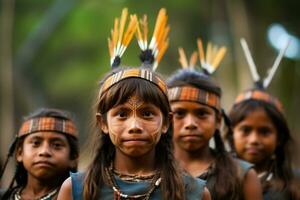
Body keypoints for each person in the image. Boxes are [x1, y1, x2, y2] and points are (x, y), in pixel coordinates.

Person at [58, 8, 211, 200]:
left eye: (147, 114)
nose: (135, 126)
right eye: (122, 114)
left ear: (166, 122)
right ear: (103, 123)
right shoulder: (76, 190)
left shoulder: (193, 193)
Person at [167, 39, 263, 200]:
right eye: (180, 113)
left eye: (202, 114)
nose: (190, 124)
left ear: (218, 120)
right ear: (166, 119)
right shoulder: (149, 171)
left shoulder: (243, 175)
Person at [226, 38, 300, 199]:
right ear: (231, 133)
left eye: (264, 132)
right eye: (245, 130)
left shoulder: (293, 184)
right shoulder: (218, 181)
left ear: (279, 137)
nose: (254, 140)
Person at [0, 108, 79, 200]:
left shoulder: (81, 197)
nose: (44, 151)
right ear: (19, 153)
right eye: (36, 143)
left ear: (73, 157)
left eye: (57, 145)